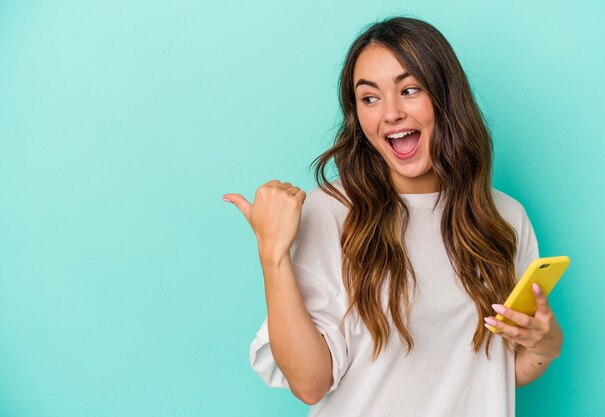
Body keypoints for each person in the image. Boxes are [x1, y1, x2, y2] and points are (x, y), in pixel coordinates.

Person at [222, 16, 563, 417]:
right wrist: (273, 255)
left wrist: (545, 343)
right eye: (370, 98)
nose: (391, 113)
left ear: (445, 98)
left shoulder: (502, 216)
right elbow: (310, 384)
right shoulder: (330, 211)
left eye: (410, 89)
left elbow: (495, 373)